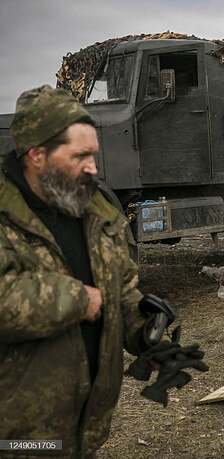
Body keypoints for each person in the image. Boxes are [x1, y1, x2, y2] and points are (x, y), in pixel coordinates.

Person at [0, 85, 206, 457]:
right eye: (80, 156)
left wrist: (145, 331)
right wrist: (77, 299)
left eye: (93, 154)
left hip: (82, 427)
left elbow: (120, 288)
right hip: (16, 436)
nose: (93, 167)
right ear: (36, 154)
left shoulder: (94, 207)